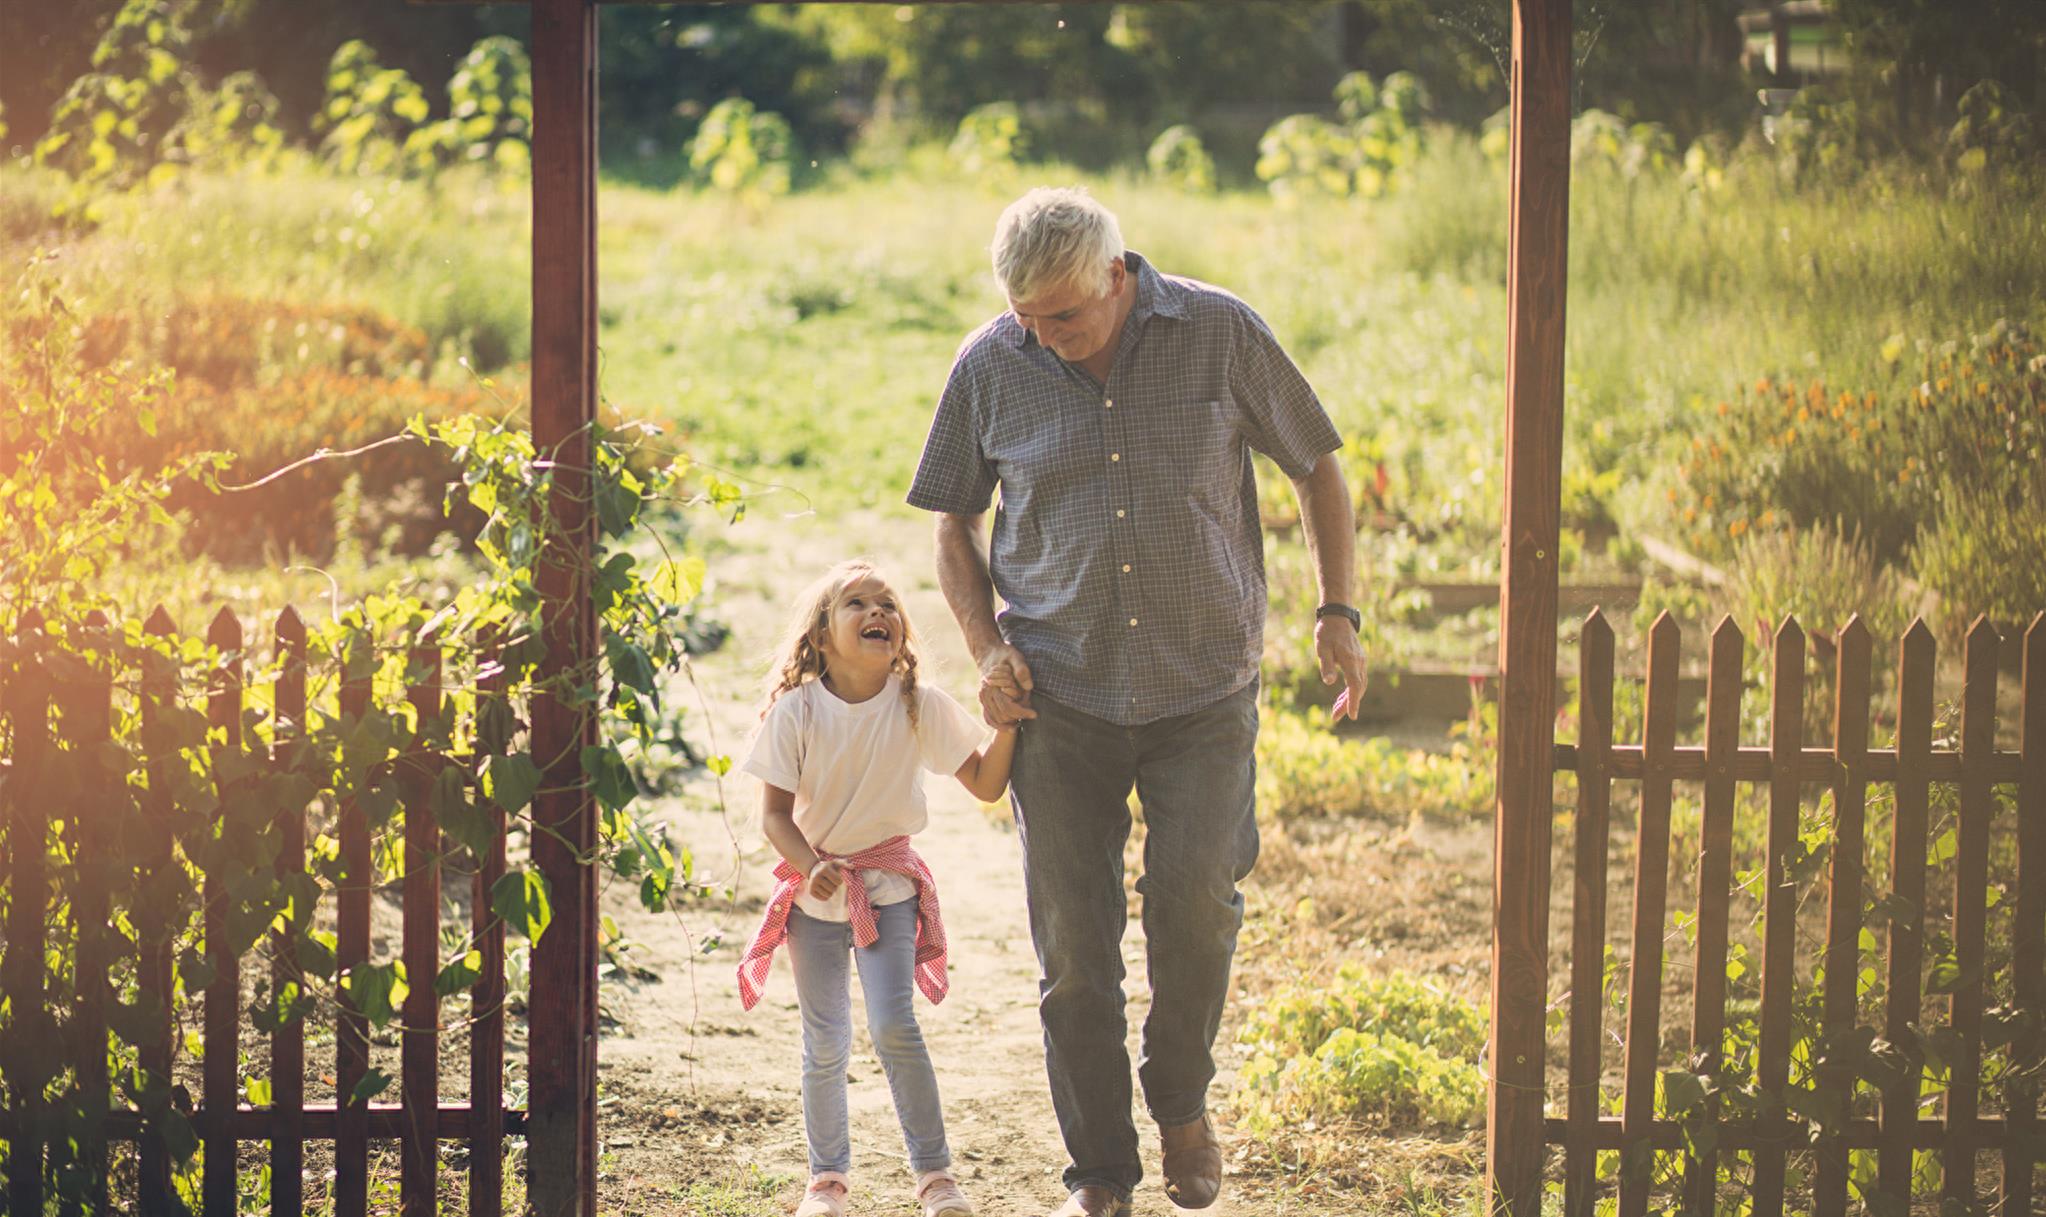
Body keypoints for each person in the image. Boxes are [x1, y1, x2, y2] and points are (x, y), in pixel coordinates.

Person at [907, 187, 1369, 1217]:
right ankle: (1103, 1172)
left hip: (1202, 686)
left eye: (1065, 314)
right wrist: (986, 649)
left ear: (1118, 277)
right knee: (1074, 949)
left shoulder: (1219, 334)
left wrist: (1338, 607)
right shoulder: (992, 363)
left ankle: (1183, 1103)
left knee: (1195, 905)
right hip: (1059, 696)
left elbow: (1317, 465)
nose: (1047, 335)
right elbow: (952, 526)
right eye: (1028, 315)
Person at [735, 559, 1018, 1217]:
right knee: (826, 1037)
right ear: (820, 636)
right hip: (814, 900)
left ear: (903, 628)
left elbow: (985, 783)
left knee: (895, 1025)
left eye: (886, 602)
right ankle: (826, 1181)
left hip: (889, 890)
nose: (876, 612)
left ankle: (936, 1178)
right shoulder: (796, 710)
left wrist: (1007, 725)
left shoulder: (917, 703)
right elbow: (774, 814)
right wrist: (810, 864)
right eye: (856, 602)